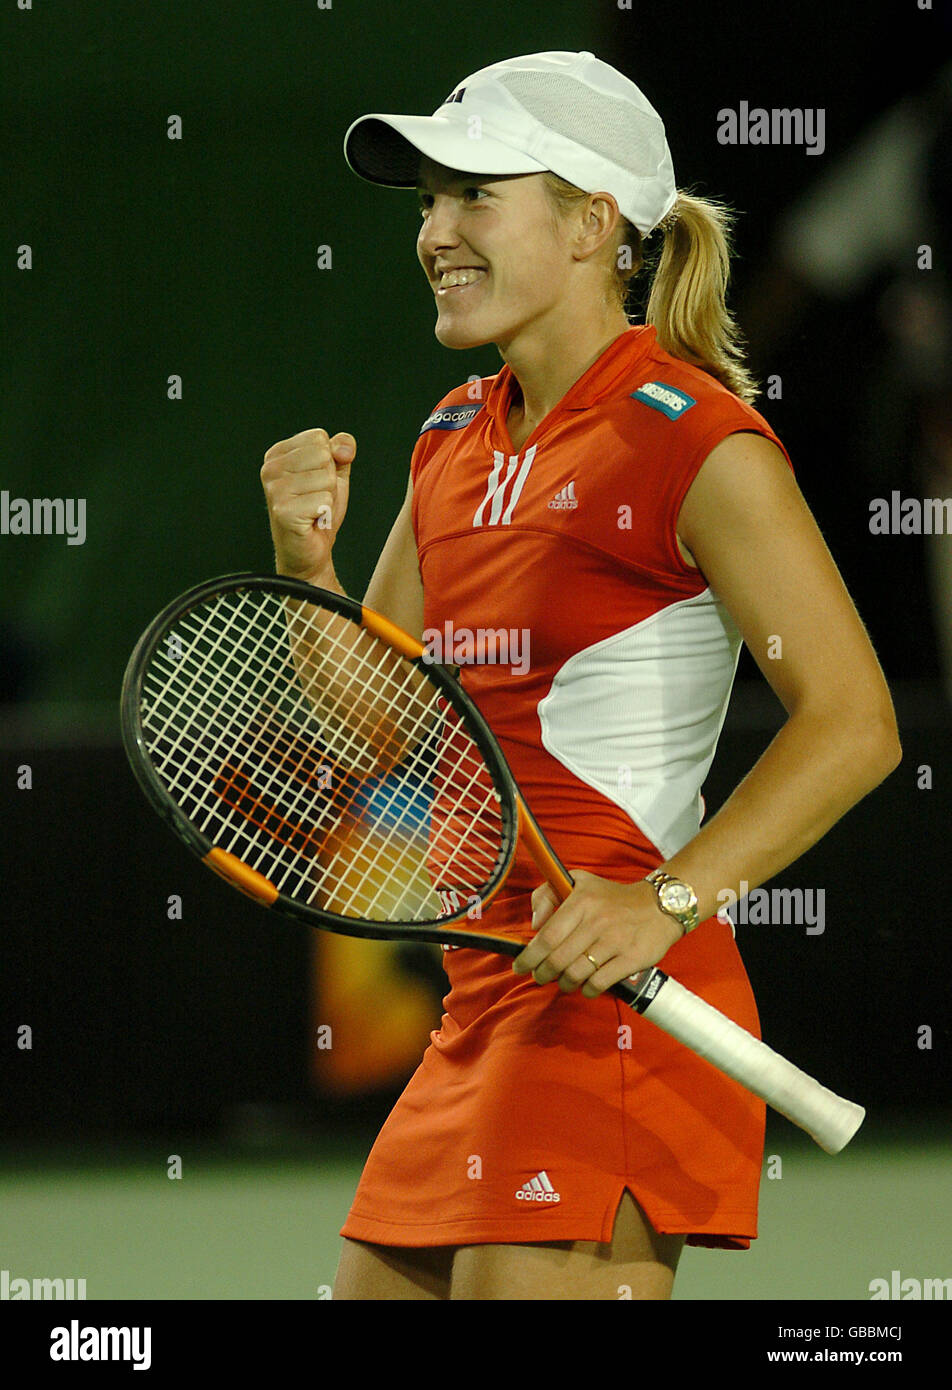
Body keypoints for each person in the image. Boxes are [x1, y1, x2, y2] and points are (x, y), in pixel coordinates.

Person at [260, 51, 901, 1300]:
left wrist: (660, 901)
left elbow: (856, 724)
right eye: (427, 205)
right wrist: (303, 562)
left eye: (472, 196)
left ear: (591, 222)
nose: (434, 232)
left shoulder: (695, 440)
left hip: (618, 1017)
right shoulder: (451, 436)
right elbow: (373, 733)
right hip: (484, 1006)